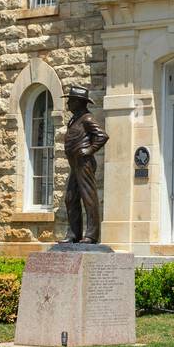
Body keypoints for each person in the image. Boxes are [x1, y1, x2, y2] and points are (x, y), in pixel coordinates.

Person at [61, 85, 108, 243]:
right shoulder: (75, 119)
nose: (68, 104)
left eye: (71, 101)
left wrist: (89, 150)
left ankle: (91, 235)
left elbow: (102, 136)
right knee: (70, 197)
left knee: (89, 198)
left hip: (84, 163)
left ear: (79, 102)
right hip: (75, 164)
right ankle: (74, 234)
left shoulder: (87, 118)